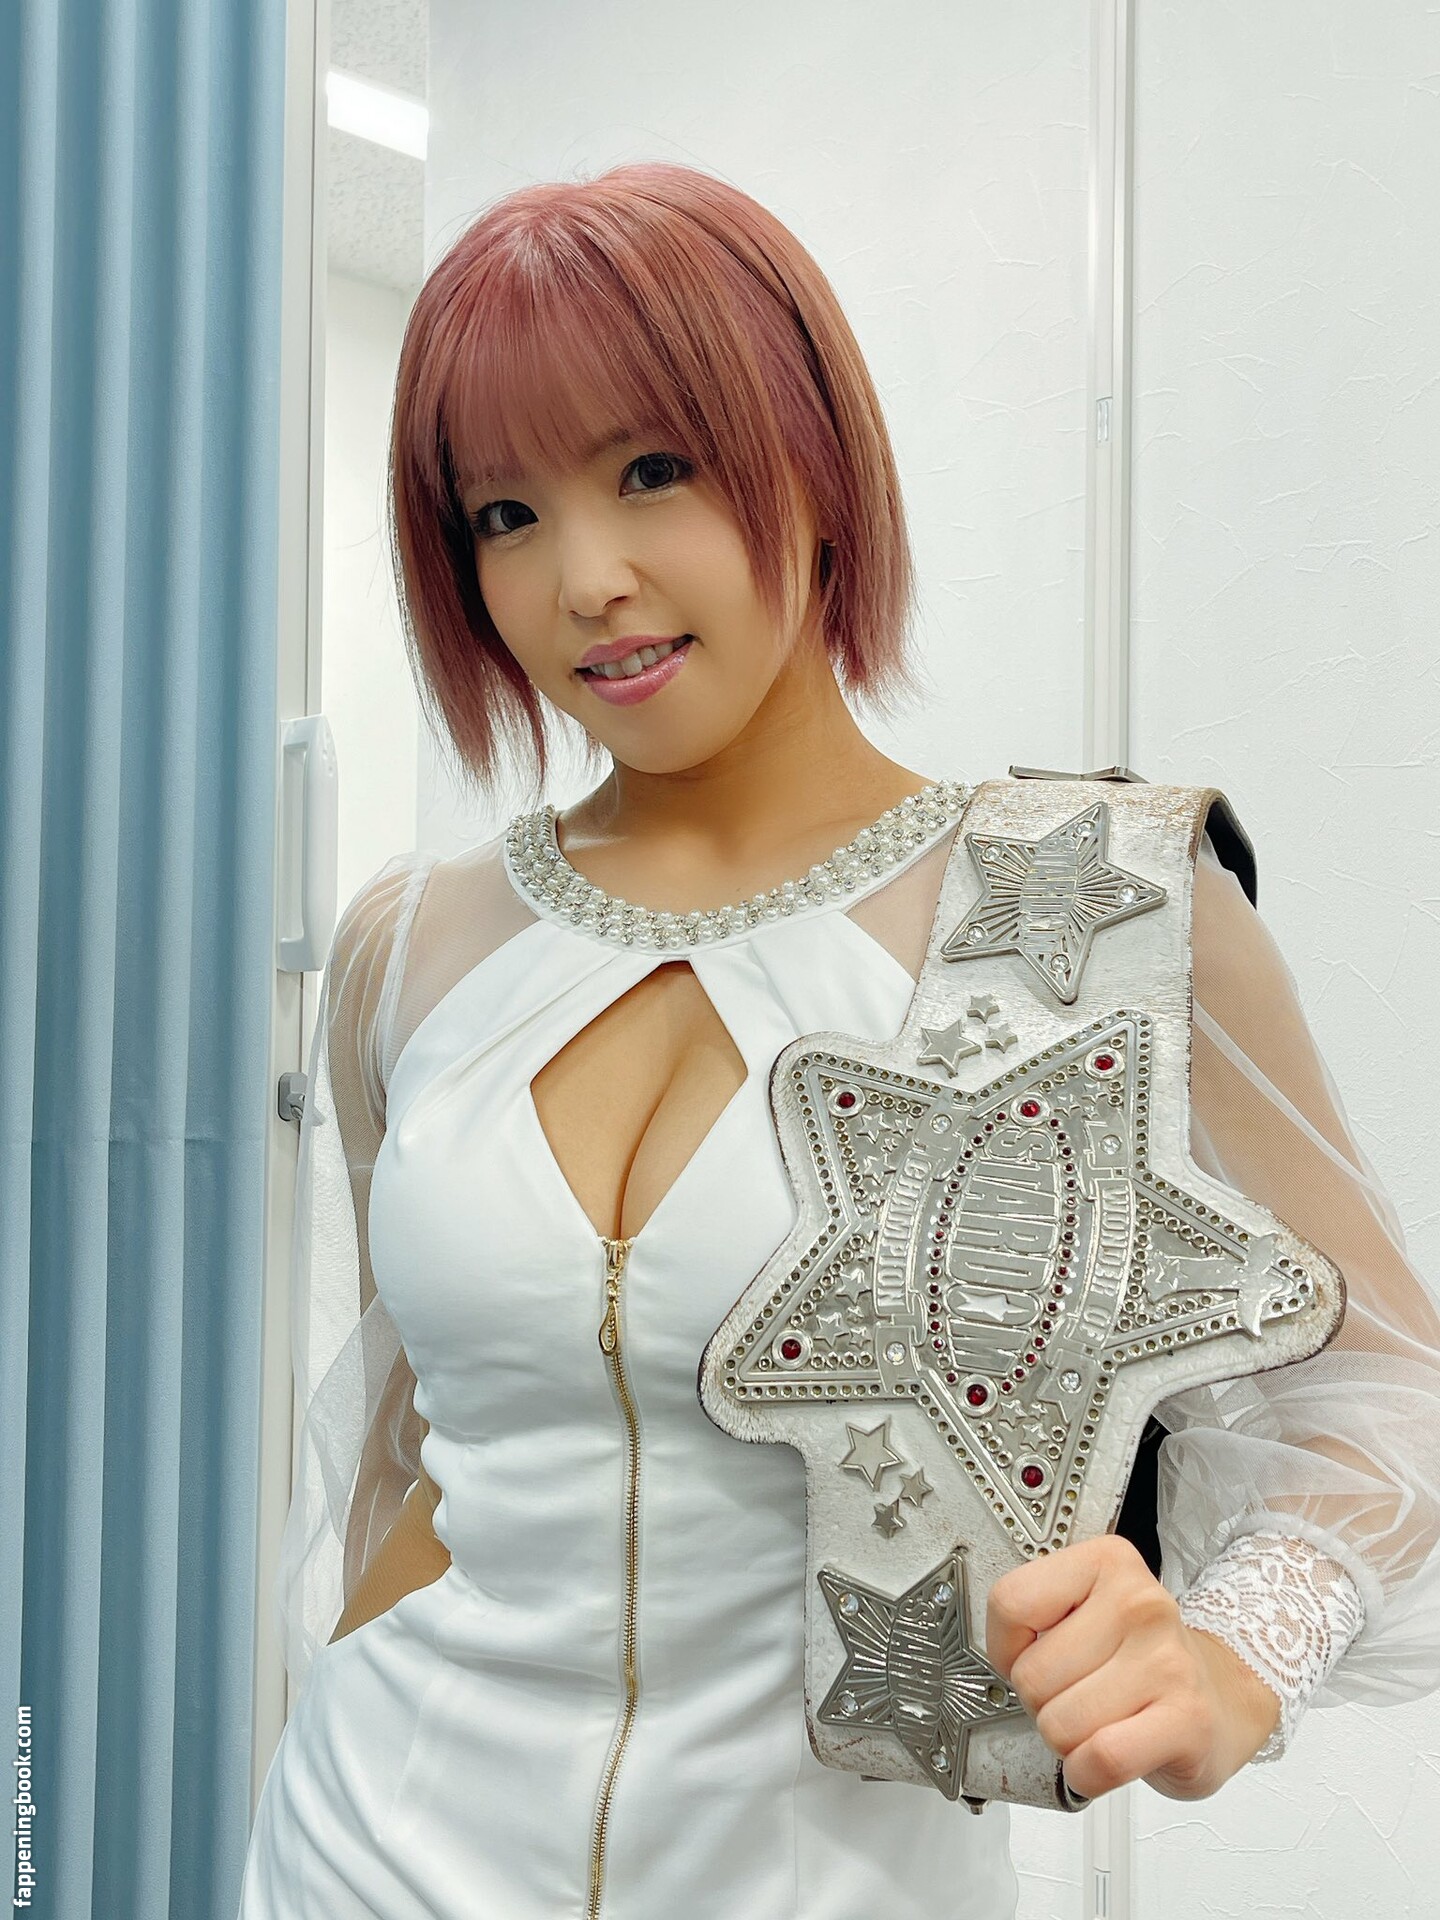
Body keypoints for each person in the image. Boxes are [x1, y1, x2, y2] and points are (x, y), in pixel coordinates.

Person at [238, 161, 1440, 1918]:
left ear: (809, 452)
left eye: (654, 469)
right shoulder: (407, 948)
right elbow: (415, 1446)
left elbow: (1390, 1389)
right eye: (503, 513)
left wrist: (1237, 1655)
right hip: (359, 1855)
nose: (585, 578)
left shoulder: (1093, 901)